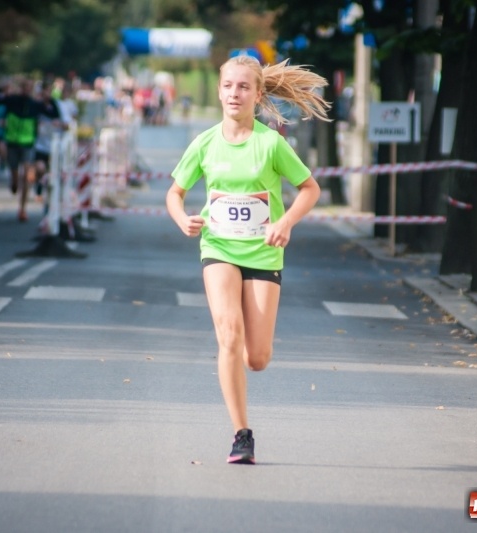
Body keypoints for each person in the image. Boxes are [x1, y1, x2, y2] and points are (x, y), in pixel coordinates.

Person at [165, 56, 329, 464]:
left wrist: (286, 222)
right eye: (228, 86)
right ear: (219, 91)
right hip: (218, 248)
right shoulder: (205, 143)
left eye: (243, 87)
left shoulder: (270, 143)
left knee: (256, 357)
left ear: (257, 95)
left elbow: (310, 189)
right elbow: (175, 193)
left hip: (262, 252)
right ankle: (242, 434)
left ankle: (240, 355)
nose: (234, 94)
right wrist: (182, 218)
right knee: (228, 335)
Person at [0, 77, 59, 222]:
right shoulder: (12, 100)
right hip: (12, 142)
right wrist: (0, 88)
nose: (27, 90)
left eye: (29, 87)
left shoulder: (35, 104)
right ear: (21, 88)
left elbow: (54, 114)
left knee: (26, 176)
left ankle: (22, 209)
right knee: (15, 178)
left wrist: (49, 99)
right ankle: (13, 182)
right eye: (24, 87)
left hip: (28, 144)